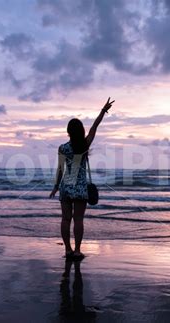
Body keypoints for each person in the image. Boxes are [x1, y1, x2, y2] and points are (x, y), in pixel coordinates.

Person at [49, 98, 114, 259]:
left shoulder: (63, 148)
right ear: (81, 131)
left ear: (68, 132)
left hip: (66, 186)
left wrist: (56, 186)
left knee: (65, 219)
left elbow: (60, 169)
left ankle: (67, 250)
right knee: (78, 220)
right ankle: (77, 250)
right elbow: (95, 127)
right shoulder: (84, 145)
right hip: (79, 187)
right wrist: (103, 111)